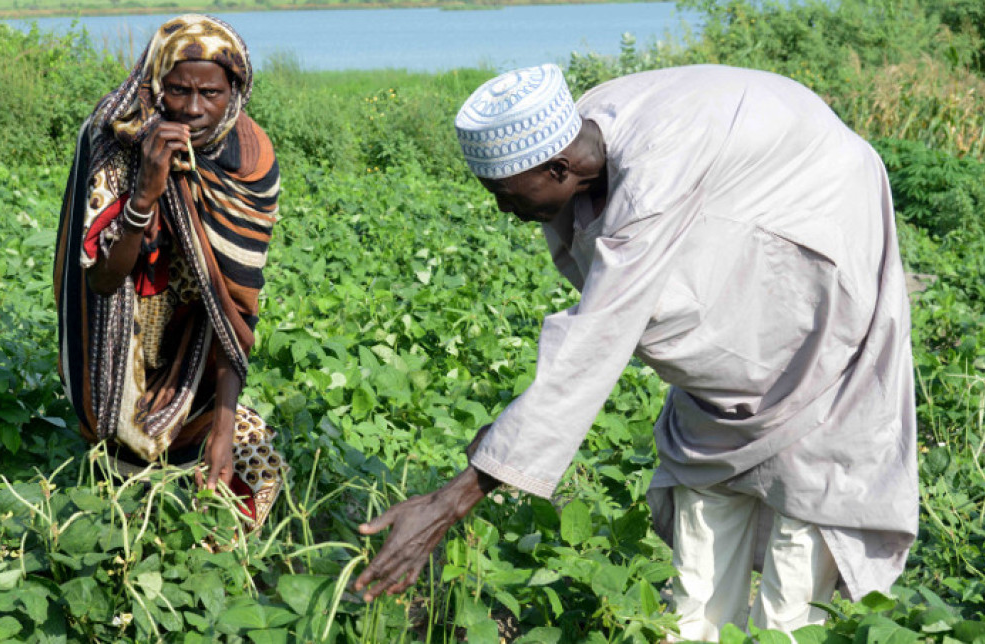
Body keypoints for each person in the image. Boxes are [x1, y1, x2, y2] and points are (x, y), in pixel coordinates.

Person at [354, 63, 918, 639]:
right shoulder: (586, 136)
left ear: (558, 167)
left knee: (798, 535)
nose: (503, 211)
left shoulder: (651, 182)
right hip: (734, 237)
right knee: (704, 504)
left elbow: (597, 340)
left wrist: (451, 502)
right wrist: (496, 450)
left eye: (504, 193)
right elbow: (601, 320)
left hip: (814, 228)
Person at [53, 15, 285, 531]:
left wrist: (224, 429)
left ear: (236, 90)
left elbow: (234, 307)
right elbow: (102, 281)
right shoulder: (118, 141)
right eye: (179, 91)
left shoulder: (249, 160)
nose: (195, 109)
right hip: (123, 327)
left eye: (212, 93)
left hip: (195, 338)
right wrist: (146, 192)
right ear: (157, 85)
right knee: (122, 474)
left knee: (249, 469)